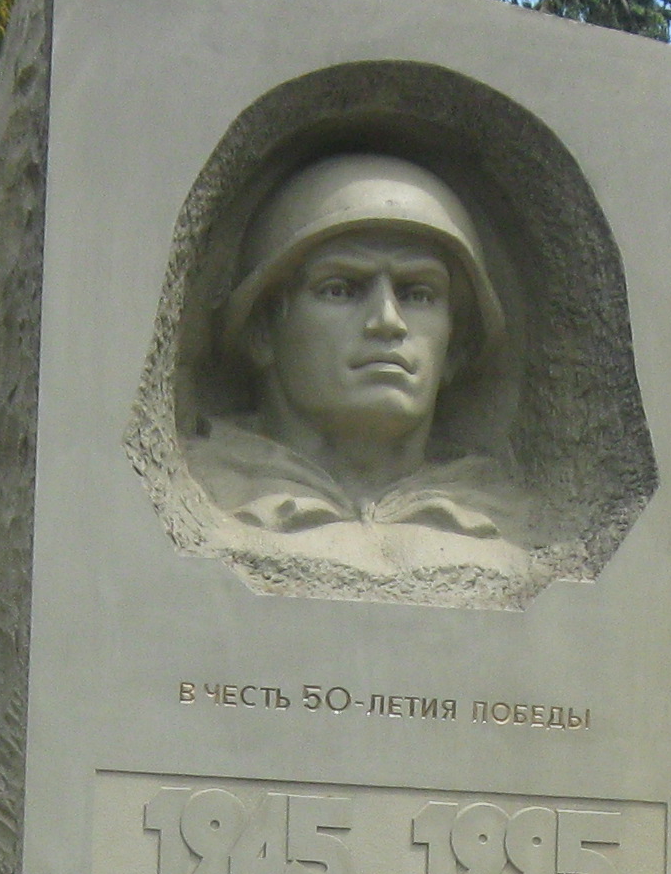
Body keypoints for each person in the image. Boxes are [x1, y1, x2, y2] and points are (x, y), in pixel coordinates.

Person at [186, 152, 536, 569]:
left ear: (455, 346)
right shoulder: (202, 488)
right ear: (263, 329)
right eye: (341, 288)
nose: (387, 321)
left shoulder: (502, 517)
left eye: (418, 294)